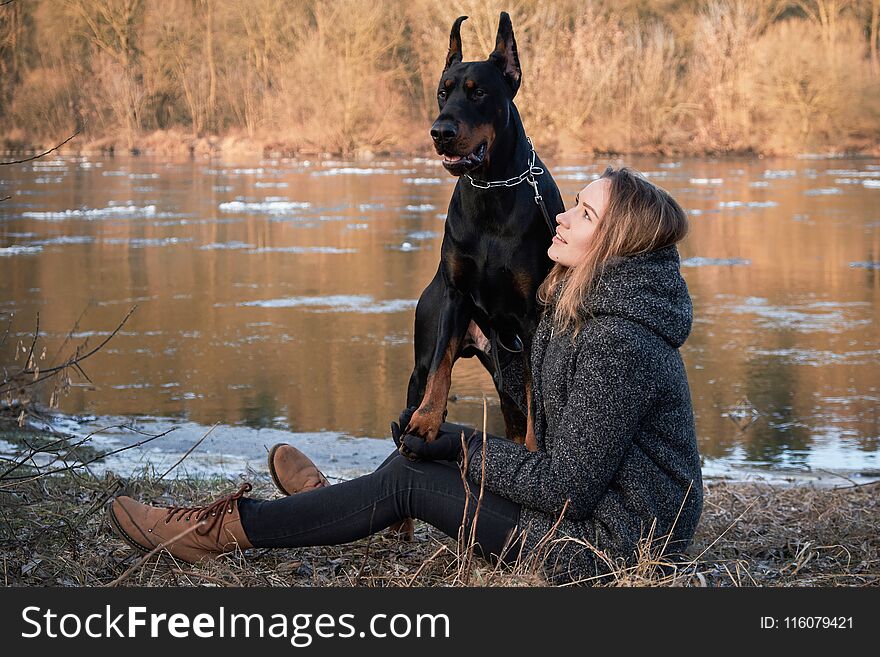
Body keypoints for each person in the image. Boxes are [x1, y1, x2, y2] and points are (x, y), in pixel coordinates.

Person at [107, 166, 703, 585]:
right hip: (588, 516)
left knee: (410, 482)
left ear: (615, 245)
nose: (564, 216)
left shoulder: (620, 341)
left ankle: (220, 532)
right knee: (417, 457)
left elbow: (565, 488)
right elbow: (558, 436)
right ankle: (332, 506)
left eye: (586, 212)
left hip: (607, 550)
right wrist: (457, 431)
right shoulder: (578, 305)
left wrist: (466, 444)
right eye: (574, 202)